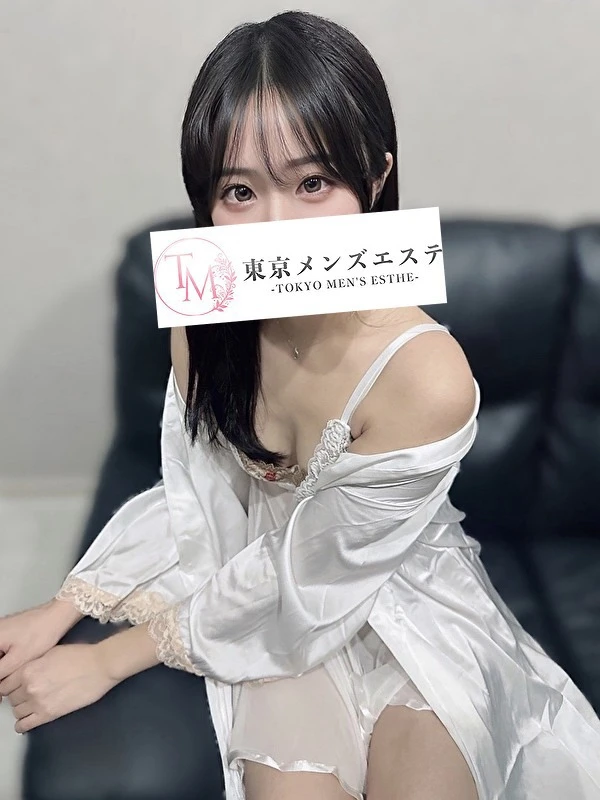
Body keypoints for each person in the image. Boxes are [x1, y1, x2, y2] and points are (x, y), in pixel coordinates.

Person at [1, 11, 600, 800]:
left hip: (397, 603)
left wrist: (107, 659)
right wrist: (67, 607)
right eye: (240, 191)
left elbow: (315, 573)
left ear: (376, 177)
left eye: (313, 184)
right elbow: (205, 499)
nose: (276, 228)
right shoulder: (201, 315)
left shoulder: (426, 377)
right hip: (258, 606)